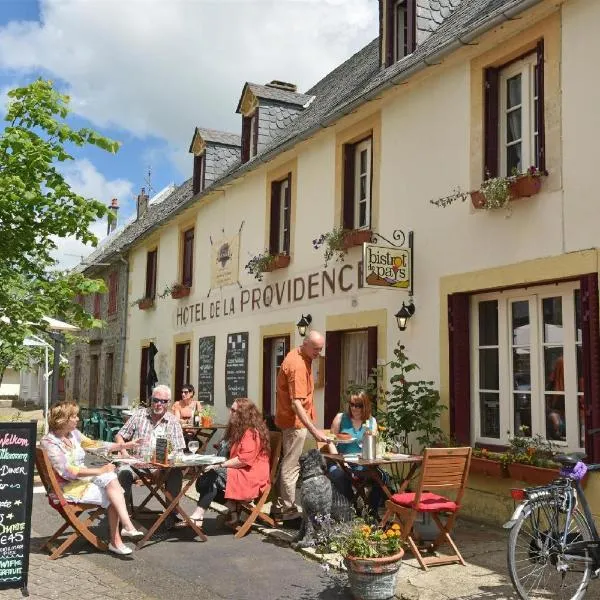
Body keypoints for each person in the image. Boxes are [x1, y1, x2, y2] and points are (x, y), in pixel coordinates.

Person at [40, 401, 144, 555]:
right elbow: (67, 471)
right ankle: (117, 540)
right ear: (62, 419)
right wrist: (99, 470)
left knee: (111, 479)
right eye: (74, 416)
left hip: (81, 481)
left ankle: (127, 527)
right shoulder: (49, 442)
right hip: (66, 488)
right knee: (114, 494)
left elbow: (94, 444)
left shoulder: (73, 434)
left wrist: (125, 446)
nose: (77, 419)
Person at [183, 398, 270, 529]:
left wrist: (219, 465)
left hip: (251, 476)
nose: (230, 412)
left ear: (244, 413)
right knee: (202, 481)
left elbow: (243, 460)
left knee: (211, 477)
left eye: (234, 410)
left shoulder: (251, 432)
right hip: (241, 471)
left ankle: (197, 516)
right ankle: (231, 506)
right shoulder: (240, 429)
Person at [272, 330, 328, 521]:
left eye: (320, 349)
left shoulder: (297, 355)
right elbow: (297, 403)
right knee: (292, 465)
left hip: (289, 421)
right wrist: (315, 431)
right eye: (315, 349)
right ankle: (289, 512)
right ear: (305, 344)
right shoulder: (297, 365)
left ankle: (279, 506)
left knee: (287, 462)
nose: (318, 353)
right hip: (294, 423)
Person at [115, 384, 186, 526]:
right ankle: (123, 516)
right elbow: (120, 436)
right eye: (155, 400)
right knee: (123, 472)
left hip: (162, 466)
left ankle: (171, 514)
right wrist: (123, 451)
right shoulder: (140, 415)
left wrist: (163, 467)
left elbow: (179, 451)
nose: (159, 404)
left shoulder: (173, 422)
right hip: (136, 464)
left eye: (163, 401)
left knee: (176, 472)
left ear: (169, 403)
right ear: (151, 400)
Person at [326, 390, 386, 519]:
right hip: (340, 461)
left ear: (365, 406)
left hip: (361, 463)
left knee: (383, 477)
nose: (354, 408)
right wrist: (340, 461)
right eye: (352, 404)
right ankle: (352, 510)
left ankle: (371, 511)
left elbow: (373, 443)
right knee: (340, 475)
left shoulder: (371, 421)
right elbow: (330, 441)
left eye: (358, 405)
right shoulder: (341, 418)